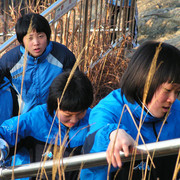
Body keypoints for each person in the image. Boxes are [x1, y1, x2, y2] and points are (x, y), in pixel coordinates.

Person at [80, 41, 180, 179]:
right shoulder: (110, 108)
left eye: (177, 92)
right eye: (168, 90)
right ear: (145, 81)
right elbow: (100, 128)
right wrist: (114, 133)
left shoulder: (177, 111)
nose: (172, 99)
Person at [0, 70, 94, 179]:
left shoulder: (93, 119)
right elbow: (4, 132)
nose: (73, 120)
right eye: (67, 115)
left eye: (80, 113)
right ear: (54, 105)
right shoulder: (36, 117)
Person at [0, 13, 76, 114]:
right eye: (30, 38)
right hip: (23, 118)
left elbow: (75, 86)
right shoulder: (9, 61)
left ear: (47, 36)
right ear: (21, 40)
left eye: (41, 36)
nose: (36, 42)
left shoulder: (63, 55)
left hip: (55, 117)